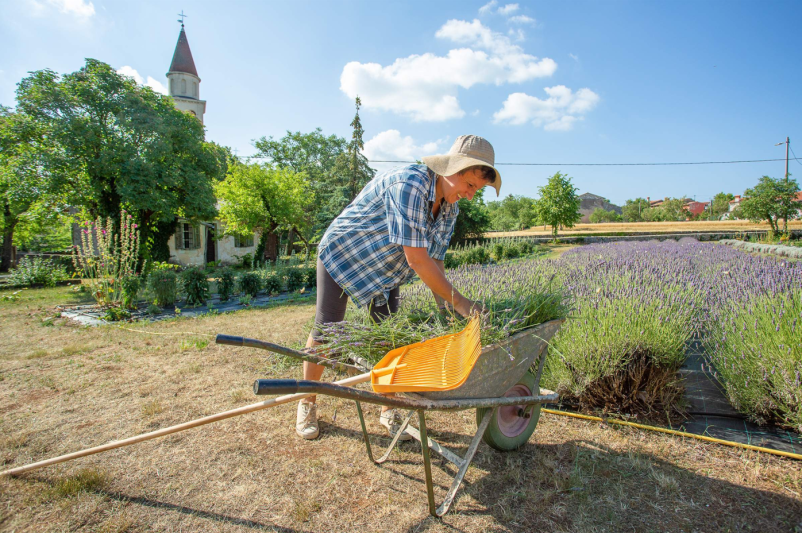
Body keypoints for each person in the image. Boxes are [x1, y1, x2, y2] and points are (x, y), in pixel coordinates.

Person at [296, 134, 502, 440]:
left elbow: (436, 260)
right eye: (470, 185)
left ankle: (387, 409)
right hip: (346, 254)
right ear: (453, 170)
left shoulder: (450, 208)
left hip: (386, 269)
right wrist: (463, 304)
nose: (471, 195)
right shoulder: (410, 184)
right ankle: (306, 401)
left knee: (388, 335)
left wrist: (445, 311)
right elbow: (418, 260)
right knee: (327, 329)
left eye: (478, 190)